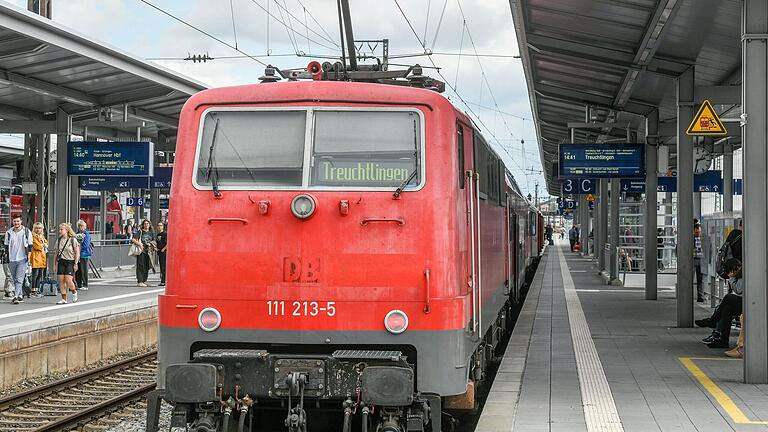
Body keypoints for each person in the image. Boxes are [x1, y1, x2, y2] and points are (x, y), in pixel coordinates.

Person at [696, 258, 742, 348]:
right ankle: (723, 341)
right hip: (745, 302)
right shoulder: (741, 274)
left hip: (750, 303)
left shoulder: (744, 274)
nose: (729, 274)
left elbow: (739, 290)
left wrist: (732, 278)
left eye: (729, 271)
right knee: (727, 310)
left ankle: (712, 321)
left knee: (728, 297)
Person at [4, 217, 32, 304]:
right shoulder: (8, 233)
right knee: (14, 278)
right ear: (13, 222)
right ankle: (20, 294)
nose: (16, 223)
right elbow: (6, 246)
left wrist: (29, 258)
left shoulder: (26, 232)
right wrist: (6, 257)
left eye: (18, 221)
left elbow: (30, 246)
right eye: (15, 221)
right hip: (12, 259)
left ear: (21, 222)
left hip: (22, 258)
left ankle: (15, 296)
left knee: (19, 279)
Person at [55, 223, 79, 304]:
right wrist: (54, 264)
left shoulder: (72, 240)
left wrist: (75, 263)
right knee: (61, 281)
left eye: (61, 229)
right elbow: (56, 253)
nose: (60, 231)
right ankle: (64, 299)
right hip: (61, 261)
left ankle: (74, 292)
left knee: (68, 280)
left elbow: (77, 253)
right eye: (60, 229)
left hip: (70, 261)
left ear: (66, 230)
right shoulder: (59, 240)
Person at [132, 219, 156, 287]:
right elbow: (133, 239)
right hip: (141, 251)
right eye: (145, 223)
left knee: (146, 266)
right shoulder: (140, 232)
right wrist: (140, 244)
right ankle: (140, 281)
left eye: (147, 223)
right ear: (143, 225)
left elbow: (154, 241)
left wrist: (151, 244)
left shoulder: (151, 233)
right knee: (140, 265)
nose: (146, 225)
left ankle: (145, 280)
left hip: (148, 251)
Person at [30, 222, 48, 298]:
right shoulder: (32, 236)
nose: (38, 229)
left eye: (40, 228)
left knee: (40, 274)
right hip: (35, 257)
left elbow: (46, 243)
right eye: (36, 228)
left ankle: (37, 289)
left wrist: (44, 245)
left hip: (42, 257)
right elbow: (37, 246)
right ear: (34, 229)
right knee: (35, 274)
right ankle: (33, 290)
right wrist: (43, 245)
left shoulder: (41, 236)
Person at [75, 220, 92, 291]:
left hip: (84, 254)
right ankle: (79, 284)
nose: (80, 227)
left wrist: (78, 248)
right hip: (78, 254)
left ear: (84, 226)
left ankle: (85, 285)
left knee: (84, 270)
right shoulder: (77, 234)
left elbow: (86, 245)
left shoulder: (86, 234)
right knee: (78, 270)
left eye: (81, 226)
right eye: (79, 226)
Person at [156, 222, 168, 286]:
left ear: (163, 226)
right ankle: (162, 280)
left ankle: (164, 281)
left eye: (160, 225)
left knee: (164, 267)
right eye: (158, 225)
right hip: (160, 252)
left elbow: (168, 243)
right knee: (161, 266)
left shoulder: (165, 234)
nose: (159, 227)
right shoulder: (158, 235)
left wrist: (163, 249)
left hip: (164, 253)